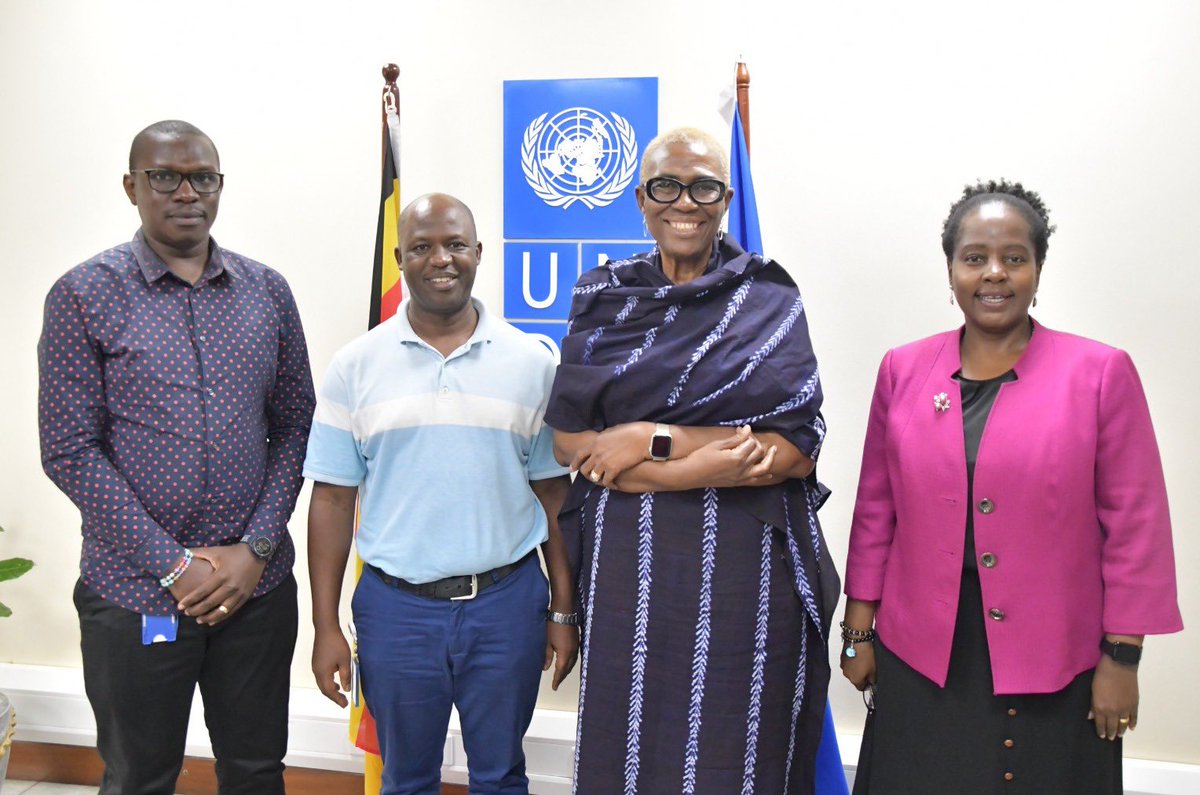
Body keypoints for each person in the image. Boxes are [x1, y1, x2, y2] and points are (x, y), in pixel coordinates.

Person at [841, 180, 1183, 793]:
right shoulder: (903, 370)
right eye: (975, 257)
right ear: (950, 270)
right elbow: (875, 511)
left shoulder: (1099, 373)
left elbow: (1137, 526)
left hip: (1056, 659)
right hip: (923, 653)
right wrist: (858, 632)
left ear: (1037, 269)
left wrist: (1122, 659)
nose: (994, 274)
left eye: (1014, 258)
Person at [546, 128, 839, 794]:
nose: (686, 202)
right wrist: (718, 454)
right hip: (631, 575)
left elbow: (794, 448)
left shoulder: (766, 298)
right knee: (630, 742)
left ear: (726, 197)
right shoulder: (605, 296)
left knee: (739, 747)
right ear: (641, 199)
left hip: (745, 575)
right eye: (666, 186)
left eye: (704, 186)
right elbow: (572, 445)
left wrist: (653, 441)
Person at [38, 120, 315, 794]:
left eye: (203, 177)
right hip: (138, 596)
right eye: (166, 176)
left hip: (256, 593)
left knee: (255, 771)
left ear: (221, 187)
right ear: (133, 186)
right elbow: (70, 450)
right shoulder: (83, 294)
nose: (186, 191)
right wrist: (173, 564)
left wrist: (253, 548)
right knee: (140, 774)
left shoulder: (267, 292)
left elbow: (297, 425)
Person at [305, 193, 578, 795]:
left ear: (478, 254)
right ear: (400, 258)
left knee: (501, 774)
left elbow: (555, 496)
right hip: (397, 609)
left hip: (507, 604)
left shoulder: (531, 364)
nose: (441, 259)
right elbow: (329, 500)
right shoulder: (355, 365)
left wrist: (562, 608)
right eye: (423, 247)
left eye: (455, 244)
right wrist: (326, 625)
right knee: (405, 779)